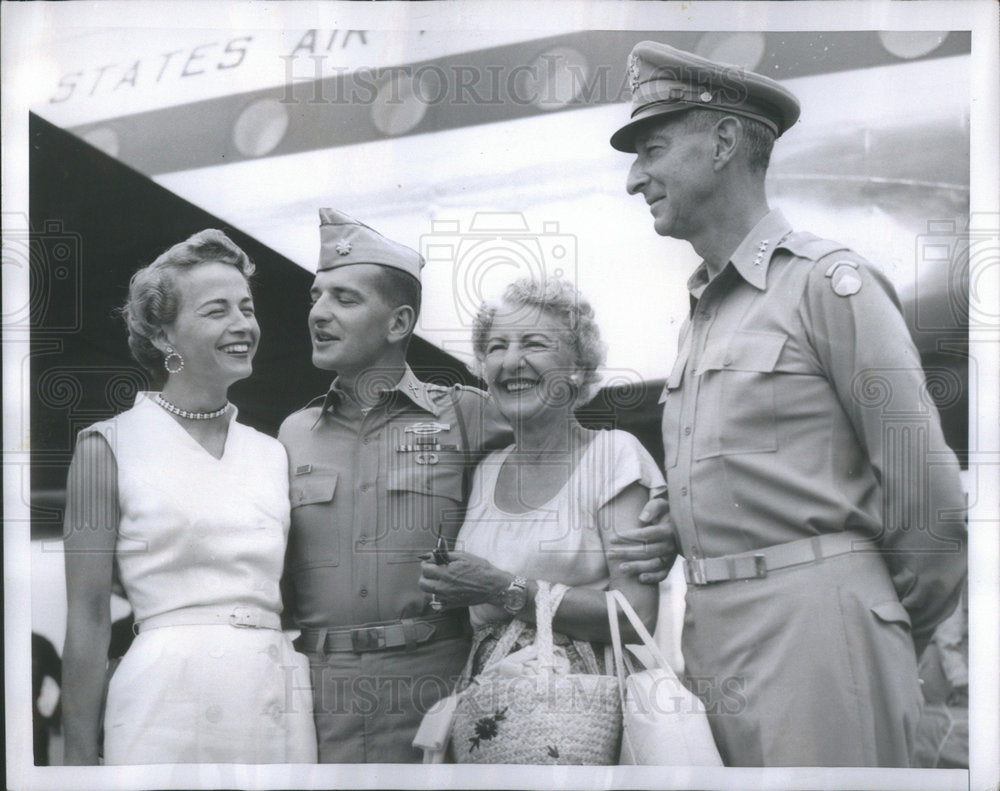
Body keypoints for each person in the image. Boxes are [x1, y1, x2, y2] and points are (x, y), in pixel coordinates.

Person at [609, 41, 967, 767]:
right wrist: (686, 519)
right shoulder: (701, 316)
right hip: (713, 640)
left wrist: (872, 621)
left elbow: (929, 497)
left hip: (821, 639)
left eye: (651, 148)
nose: (633, 177)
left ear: (724, 140)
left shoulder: (826, 285)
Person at [278, 210, 671, 763]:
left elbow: (558, 434)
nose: (319, 313)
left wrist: (671, 521)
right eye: (316, 297)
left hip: (449, 692)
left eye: (344, 298)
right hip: (320, 695)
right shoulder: (293, 435)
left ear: (398, 324)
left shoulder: (463, 416)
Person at [61, 229, 316, 765]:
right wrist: (78, 765)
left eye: (246, 308)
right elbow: (86, 618)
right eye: (217, 311)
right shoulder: (105, 446)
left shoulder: (272, 453)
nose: (242, 324)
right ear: (162, 337)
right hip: (163, 702)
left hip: (273, 696)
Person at [417, 277, 663, 718]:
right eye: (496, 347)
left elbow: (636, 617)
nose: (511, 361)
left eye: (533, 343)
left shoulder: (614, 455)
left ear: (578, 366)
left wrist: (502, 587)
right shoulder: (485, 470)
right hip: (487, 703)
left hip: (581, 708)